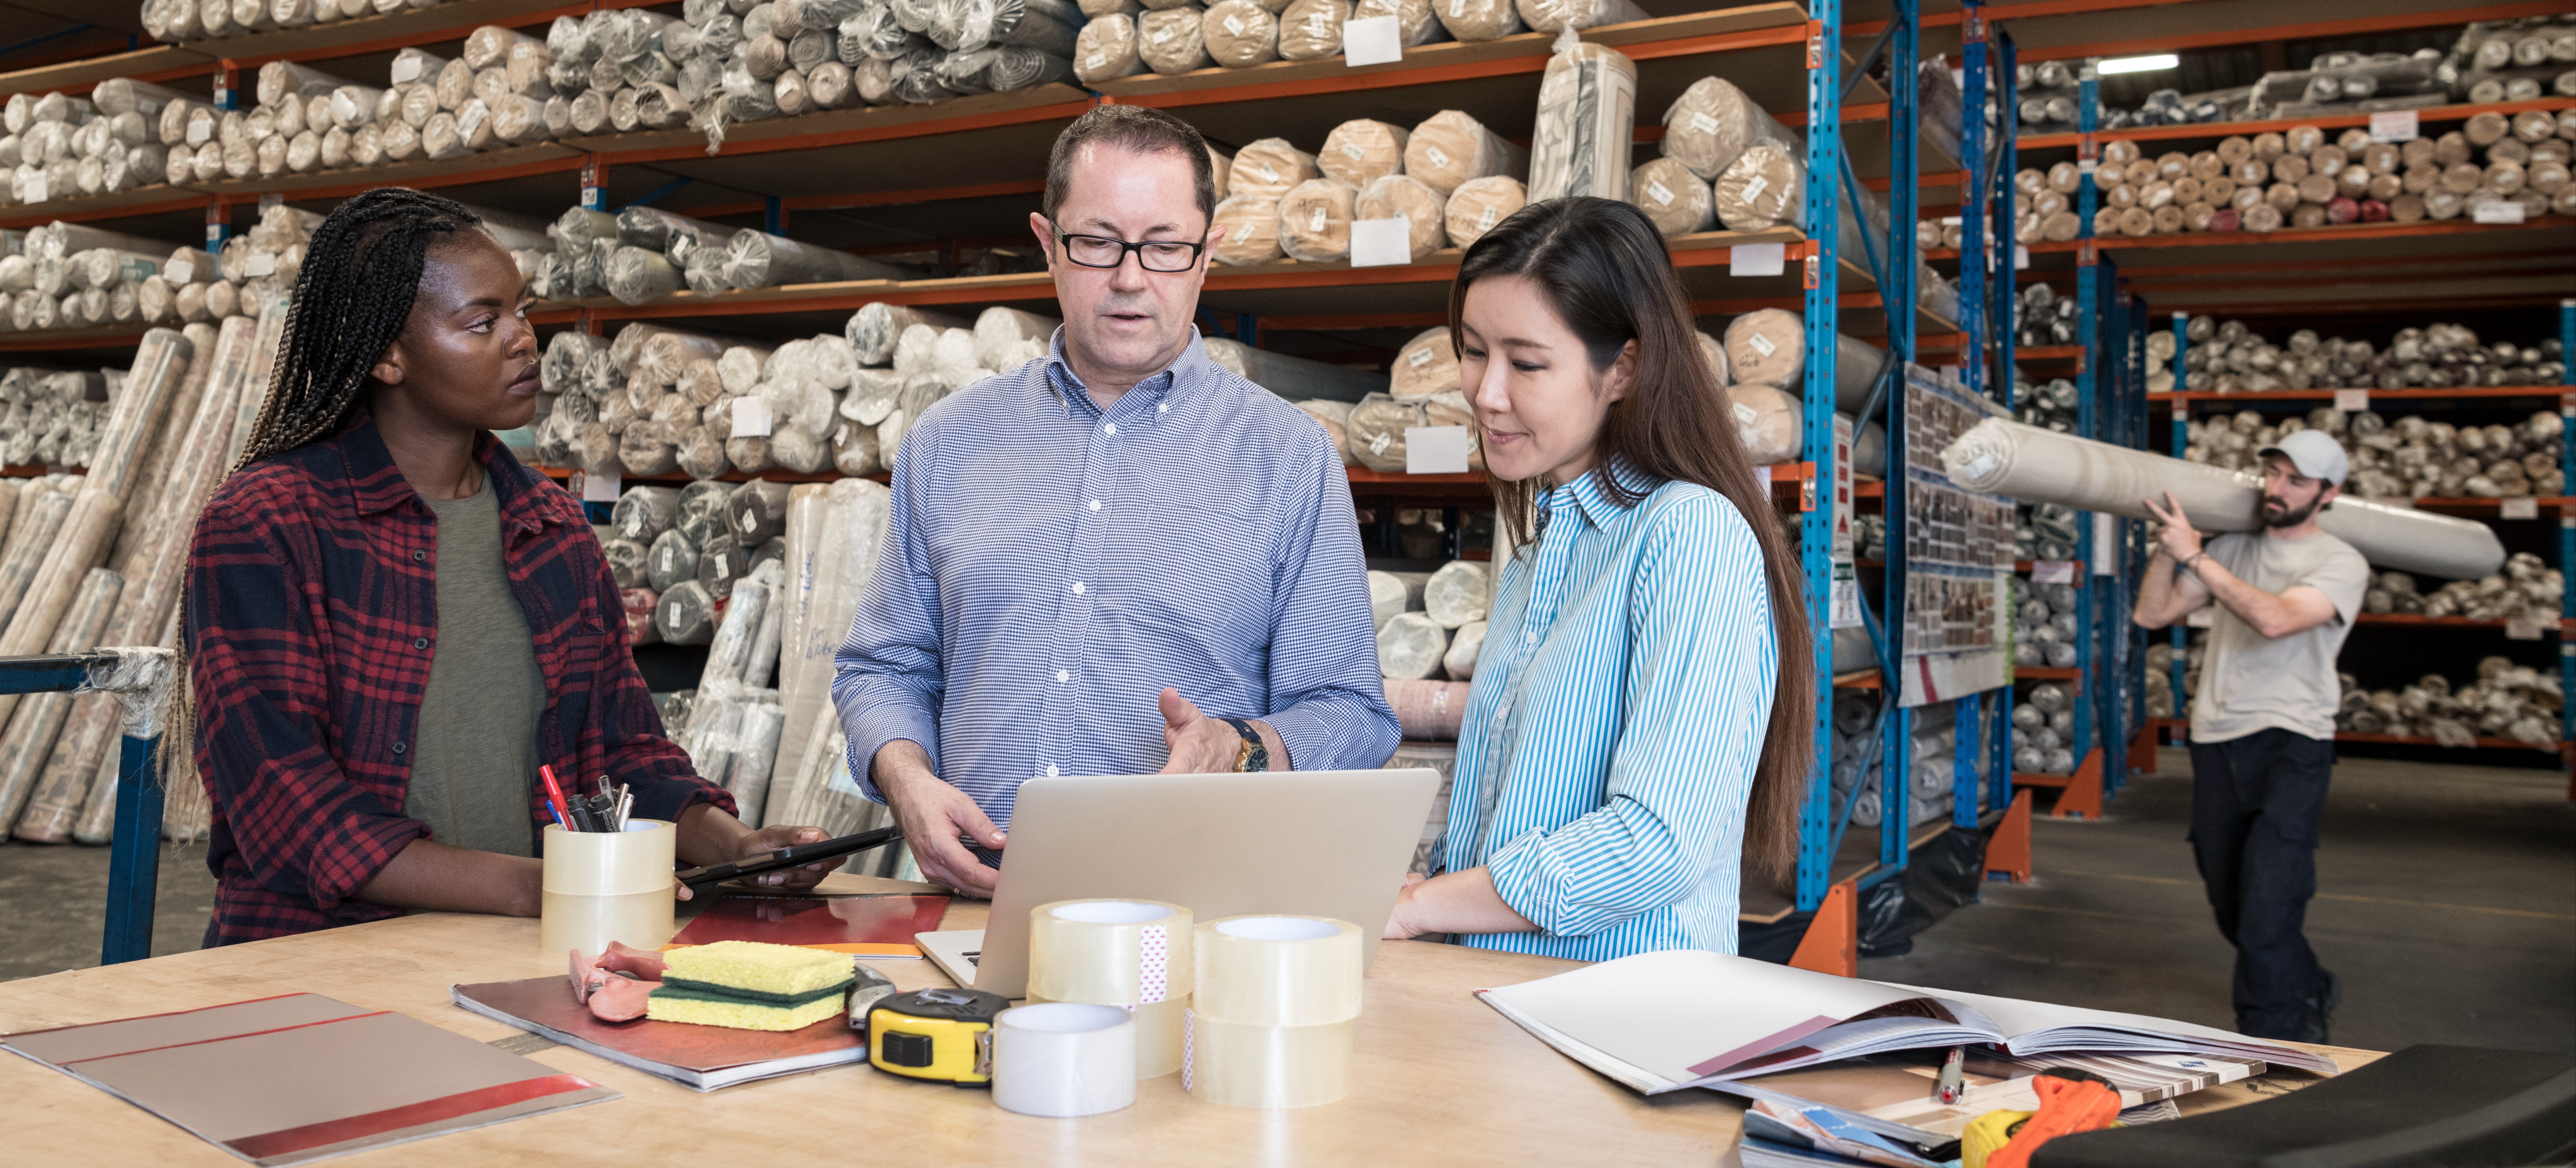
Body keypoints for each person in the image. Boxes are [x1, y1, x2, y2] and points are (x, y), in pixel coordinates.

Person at [186, 188, 843, 946]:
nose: (524, 340)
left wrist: (731, 846)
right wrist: (545, 884)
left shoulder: (550, 526)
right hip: (320, 960)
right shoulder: (267, 524)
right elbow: (287, 805)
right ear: (387, 356)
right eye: (482, 321)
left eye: (523, 311)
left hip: (518, 951)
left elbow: (621, 749)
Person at [832, 105, 1398, 896]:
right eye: (1097, 243)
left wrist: (1233, 748)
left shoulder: (1288, 456)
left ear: (1209, 254)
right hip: (975, 906)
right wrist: (906, 781)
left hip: (1194, 917)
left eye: (1165, 247)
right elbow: (884, 668)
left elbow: (1350, 714)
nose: (1131, 278)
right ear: (1047, 244)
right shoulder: (950, 442)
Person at [1377, 197, 1814, 960]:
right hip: (1499, 1002)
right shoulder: (1541, 545)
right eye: (1474, 351)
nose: (1485, 393)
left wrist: (1422, 906)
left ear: (1625, 368)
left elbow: (1658, 841)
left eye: (1527, 362)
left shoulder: (1689, 536)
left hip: (1618, 1019)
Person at [2132, 429, 2369, 1042]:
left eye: (2296, 480)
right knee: (2232, 905)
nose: (2279, 488)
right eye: (2274, 473)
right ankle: (2308, 981)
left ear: (2328, 494)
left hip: (2293, 742)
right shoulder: (2232, 547)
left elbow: (2275, 619)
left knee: (2270, 902)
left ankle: (2279, 1040)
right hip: (2218, 739)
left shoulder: (2340, 563)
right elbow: (2151, 615)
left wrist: (2196, 557)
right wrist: (2170, 547)